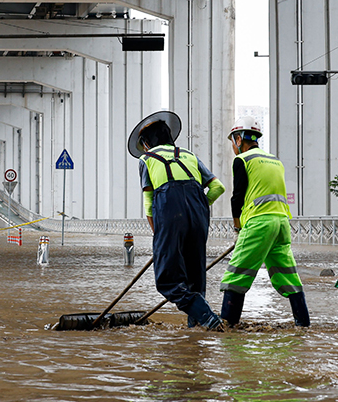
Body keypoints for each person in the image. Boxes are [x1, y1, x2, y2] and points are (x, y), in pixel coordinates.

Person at [129, 111, 228, 330]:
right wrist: (199, 205)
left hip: (170, 213)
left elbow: (149, 201)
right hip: (199, 213)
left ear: (146, 144)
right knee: (195, 276)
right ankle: (196, 330)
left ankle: (209, 318)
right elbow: (218, 187)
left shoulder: (146, 159)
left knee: (167, 280)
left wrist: (159, 235)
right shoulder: (190, 155)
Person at [219, 116, 309, 327]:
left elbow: (237, 198)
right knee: (289, 277)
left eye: (233, 141)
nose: (233, 147)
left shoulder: (242, 160)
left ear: (239, 139)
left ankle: (227, 330)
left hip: (258, 224)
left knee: (236, 276)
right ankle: (303, 326)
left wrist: (237, 228)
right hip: (281, 224)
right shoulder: (275, 160)